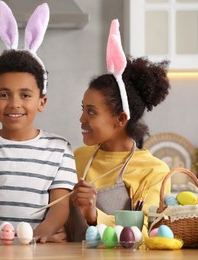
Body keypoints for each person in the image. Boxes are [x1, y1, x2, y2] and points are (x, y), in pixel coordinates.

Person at [0, 1, 77, 244]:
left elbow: (60, 204)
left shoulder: (59, 148)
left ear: (42, 101)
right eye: (4, 94)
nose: (14, 103)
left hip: (38, 246)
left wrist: (45, 230)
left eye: (25, 95)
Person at [68, 19, 171, 241]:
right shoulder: (76, 158)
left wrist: (95, 215)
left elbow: (148, 232)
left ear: (120, 119)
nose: (82, 118)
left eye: (92, 112)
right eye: (83, 109)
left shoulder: (154, 171)